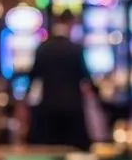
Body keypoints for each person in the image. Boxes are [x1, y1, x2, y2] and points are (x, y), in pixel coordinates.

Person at [25, 9, 97, 151]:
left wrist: (24, 104)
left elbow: (32, 78)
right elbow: (86, 78)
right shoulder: (75, 49)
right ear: (71, 24)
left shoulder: (43, 48)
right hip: (72, 108)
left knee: (48, 150)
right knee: (75, 150)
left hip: (48, 107)